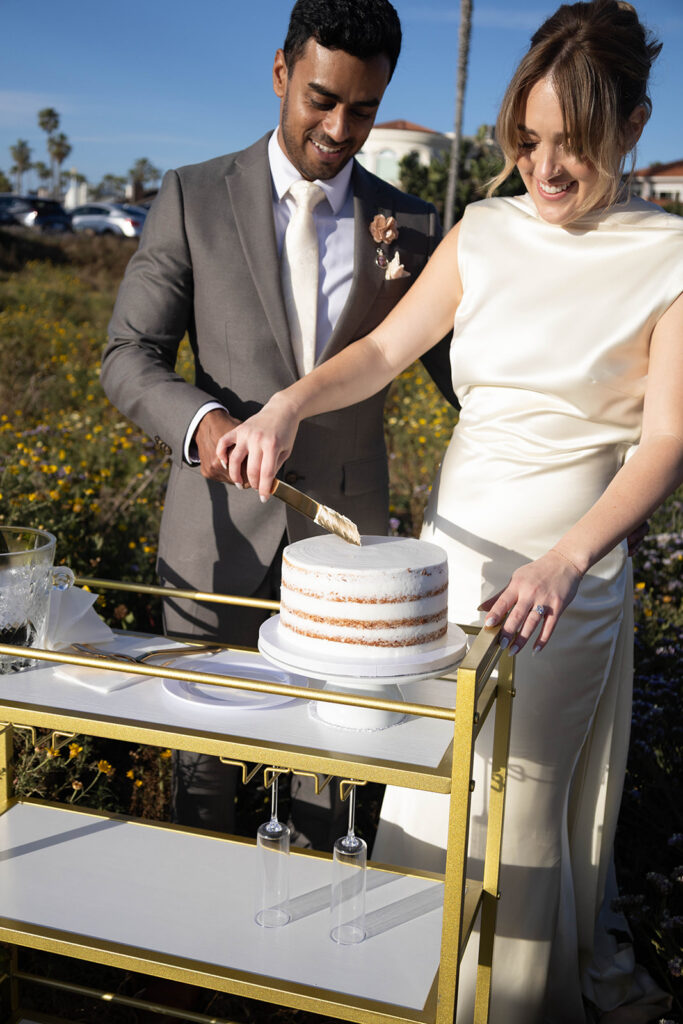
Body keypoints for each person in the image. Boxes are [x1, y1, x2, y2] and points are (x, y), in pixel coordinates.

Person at [216, 1, 683, 1020]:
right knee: (428, 779)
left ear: (634, 126)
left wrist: (564, 561)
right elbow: (383, 351)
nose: (545, 170)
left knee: (514, 805)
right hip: (448, 562)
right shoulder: (483, 226)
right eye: (526, 140)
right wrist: (288, 402)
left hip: (564, 579)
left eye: (575, 144)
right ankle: (406, 992)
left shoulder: (667, 254)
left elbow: (663, 442)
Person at [101, 0, 454, 844]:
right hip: (210, 537)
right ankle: (195, 959)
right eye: (320, 99)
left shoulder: (407, 225)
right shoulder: (191, 196)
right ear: (279, 73)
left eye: (362, 109)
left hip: (347, 557)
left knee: (329, 782)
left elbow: (462, 374)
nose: (339, 128)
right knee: (200, 771)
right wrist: (208, 423)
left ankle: (308, 953)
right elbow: (127, 354)